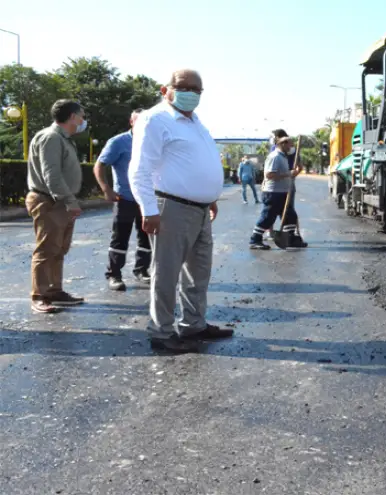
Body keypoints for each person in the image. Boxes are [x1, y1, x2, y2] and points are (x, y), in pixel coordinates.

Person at [128, 69, 233, 353]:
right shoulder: (154, 119)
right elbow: (139, 169)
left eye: (197, 90)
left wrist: (209, 196)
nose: (191, 94)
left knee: (198, 272)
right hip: (170, 208)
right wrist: (148, 210)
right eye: (184, 87)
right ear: (166, 90)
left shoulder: (195, 122)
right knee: (166, 273)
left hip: (199, 210)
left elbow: (192, 162)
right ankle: (161, 331)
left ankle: (193, 324)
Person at [25, 99, 89, 313]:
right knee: (46, 249)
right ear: (72, 117)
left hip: (58, 202)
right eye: (81, 115)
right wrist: (69, 201)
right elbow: (51, 174)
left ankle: (54, 290)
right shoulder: (50, 137)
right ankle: (39, 295)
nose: (82, 120)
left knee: (59, 249)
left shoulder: (62, 139)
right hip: (49, 202)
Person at [94, 109, 152, 292]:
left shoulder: (152, 142)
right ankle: (114, 274)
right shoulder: (119, 142)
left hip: (147, 199)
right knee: (120, 238)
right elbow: (100, 165)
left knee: (147, 237)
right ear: (131, 121)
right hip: (125, 198)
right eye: (138, 120)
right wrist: (106, 189)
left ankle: (142, 270)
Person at [249, 136, 307, 249]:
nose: (291, 147)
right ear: (283, 144)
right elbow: (269, 175)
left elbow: (286, 173)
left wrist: (293, 173)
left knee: (290, 216)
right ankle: (255, 240)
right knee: (268, 217)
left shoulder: (283, 157)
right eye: (290, 144)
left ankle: (290, 239)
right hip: (273, 193)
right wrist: (288, 174)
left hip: (283, 192)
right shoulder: (275, 157)